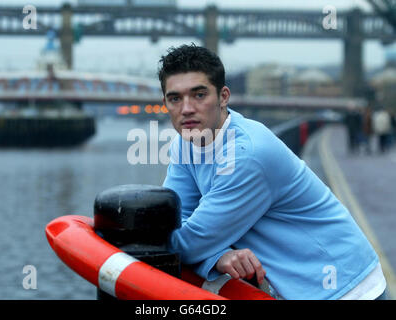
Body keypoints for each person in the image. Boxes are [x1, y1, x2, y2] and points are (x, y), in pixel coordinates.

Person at [158, 44, 387, 300]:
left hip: (346, 288)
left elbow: (187, 243)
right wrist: (215, 256)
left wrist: (208, 254)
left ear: (223, 97)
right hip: (301, 287)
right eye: (175, 98)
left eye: (199, 95)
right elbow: (173, 218)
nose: (186, 108)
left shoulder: (248, 155)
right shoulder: (185, 141)